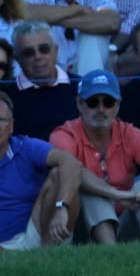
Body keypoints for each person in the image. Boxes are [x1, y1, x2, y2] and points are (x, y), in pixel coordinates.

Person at [52, 69, 140, 243]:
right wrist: (116, 194)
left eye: (108, 102)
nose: (101, 109)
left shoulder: (131, 134)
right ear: (79, 104)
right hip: (81, 224)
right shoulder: (64, 135)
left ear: (118, 106)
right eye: (93, 102)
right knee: (92, 193)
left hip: (126, 213)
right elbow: (75, 171)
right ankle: (110, 252)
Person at [0, 88, 83, 251]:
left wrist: (61, 206)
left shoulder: (26, 147)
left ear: (11, 126)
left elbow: (71, 163)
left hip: (29, 235)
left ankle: (47, 255)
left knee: (59, 175)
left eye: (0, 120)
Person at [7, 21, 82, 138]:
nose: (38, 56)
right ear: (18, 59)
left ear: (55, 51)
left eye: (44, 49)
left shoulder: (81, 86)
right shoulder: (6, 94)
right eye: (28, 52)